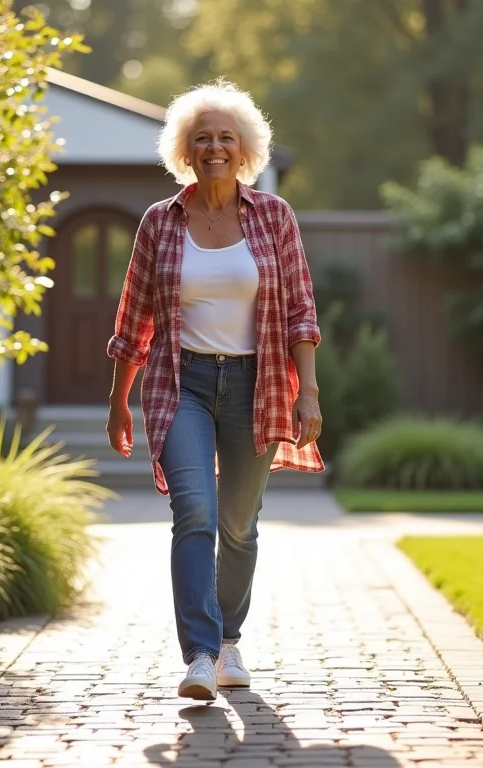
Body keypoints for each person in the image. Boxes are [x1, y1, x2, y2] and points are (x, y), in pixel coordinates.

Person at [106, 80, 324, 701]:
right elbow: (135, 318)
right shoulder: (161, 221)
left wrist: (308, 391)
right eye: (202, 138)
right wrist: (118, 398)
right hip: (183, 384)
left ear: (245, 147)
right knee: (194, 512)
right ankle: (199, 654)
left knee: (238, 523)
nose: (214, 147)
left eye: (226, 137)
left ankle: (230, 641)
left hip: (258, 383)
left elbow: (300, 313)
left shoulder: (274, 217)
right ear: (185, 149)